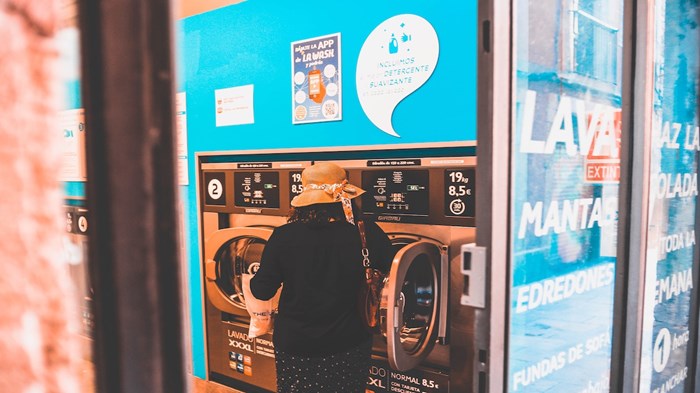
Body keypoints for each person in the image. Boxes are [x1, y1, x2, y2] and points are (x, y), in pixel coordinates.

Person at [250, 162, 392, 393]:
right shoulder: (365, 232)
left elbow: (262, 290)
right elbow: (390, 269)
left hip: (296, 343)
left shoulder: (284, 236)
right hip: (350, 340)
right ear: (345, 197)